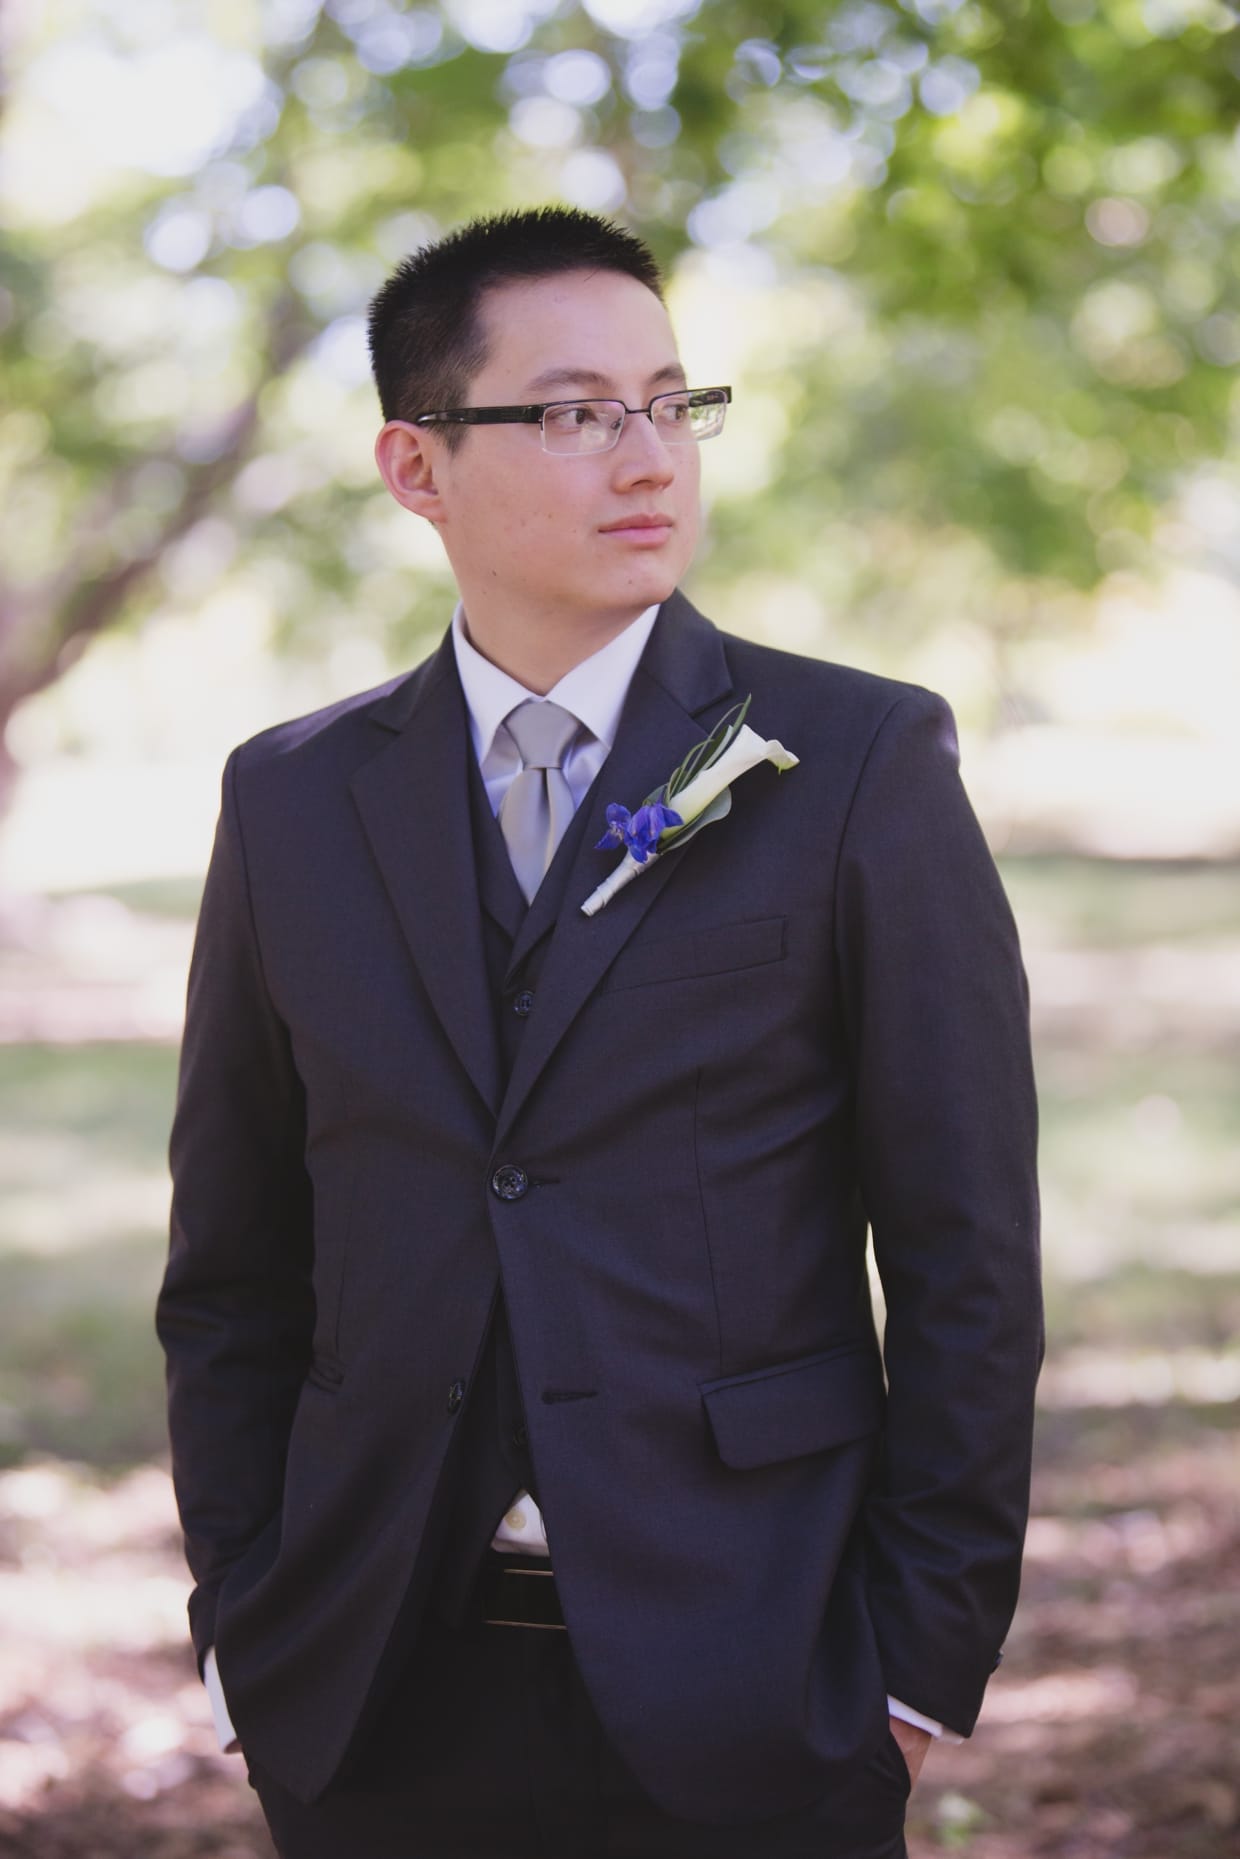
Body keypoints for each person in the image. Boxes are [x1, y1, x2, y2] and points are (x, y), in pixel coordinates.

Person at [157, 205, 1042, 1859]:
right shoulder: (289, 801)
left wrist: (915, 1676)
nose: (647, 457)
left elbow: (968, 1259)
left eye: (671, 401)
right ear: (417, 468)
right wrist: (242, 1633)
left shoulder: (858, 762)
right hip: (365, 1688)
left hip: (762, 1676)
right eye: (572, 412)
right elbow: (235, 1268)